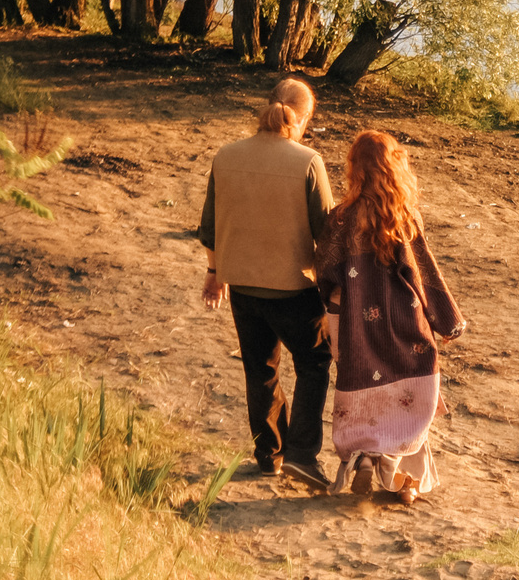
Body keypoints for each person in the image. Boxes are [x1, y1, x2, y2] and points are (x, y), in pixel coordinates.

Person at [197, 77, 335, 489]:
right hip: (293, 288)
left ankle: (269, 455)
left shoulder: (226, 156)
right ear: (303, 117)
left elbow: (210, 228)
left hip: (241, 285)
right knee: (313, 365)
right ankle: (302, 456)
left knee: (260, 370)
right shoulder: (308, 161)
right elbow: (326, 233)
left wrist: (214, 273)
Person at [316, 128, 465, 503]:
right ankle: (404, 482)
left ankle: (366, 460)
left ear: (355, 170)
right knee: (409, 401)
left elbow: (326, 272)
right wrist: (447, 322)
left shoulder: (340, 219)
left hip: (354, 327)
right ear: (394, 169)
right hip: (404, 325)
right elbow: (424, 274)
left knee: (364, 392)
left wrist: (326, 308)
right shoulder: (404, 219)